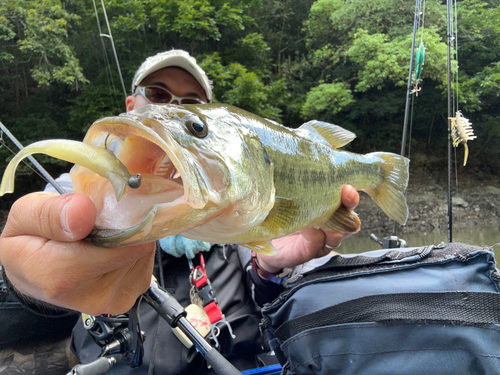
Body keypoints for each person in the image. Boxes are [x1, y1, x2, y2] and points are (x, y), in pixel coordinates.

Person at [0, 50, 360, 373]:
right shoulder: (80, 189)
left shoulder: (236, 194)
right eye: (157, 95)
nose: (171, 107)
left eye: (191, 106)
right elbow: (27, 276)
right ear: (131, 105)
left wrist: (269, 270)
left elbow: (270, 298)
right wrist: (23, 280)